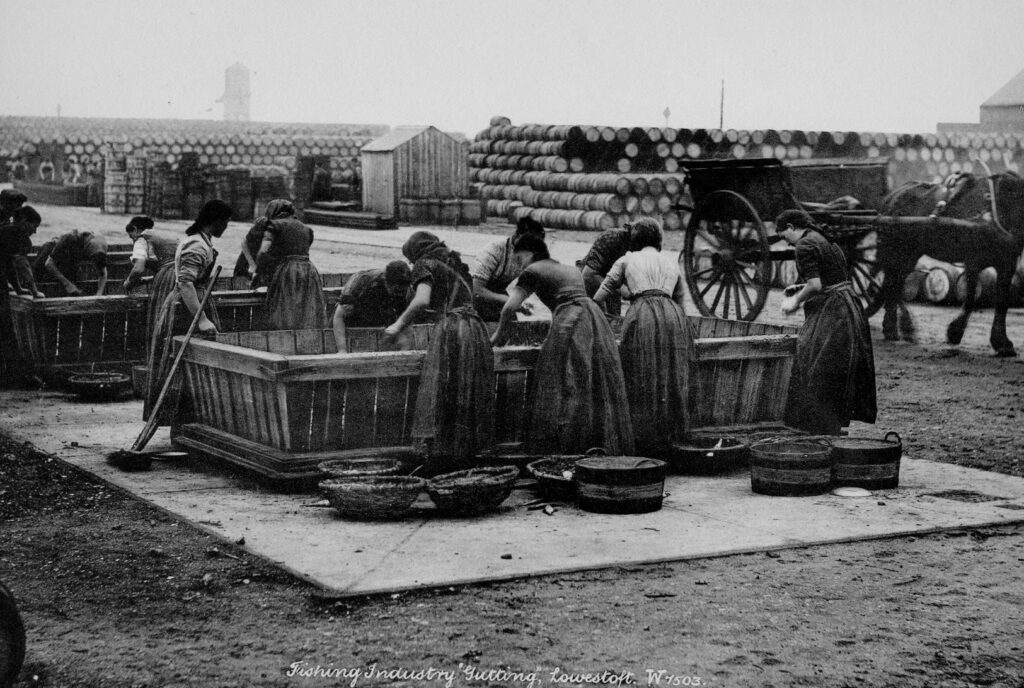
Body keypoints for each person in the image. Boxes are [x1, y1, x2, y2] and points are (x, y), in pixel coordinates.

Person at [491, 233, 635, 455]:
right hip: (593, 317)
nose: (517, 263)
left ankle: (570, 446)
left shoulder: (532, 271)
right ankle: (593, 442)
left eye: (518, 258)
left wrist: (497, 336)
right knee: (590, 378)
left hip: (571, 320)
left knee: (566, 381)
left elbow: (510, 307)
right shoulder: (566, 268)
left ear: (528, 254)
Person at [384, 231, 494, 474]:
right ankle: (463, 458)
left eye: (411, 261)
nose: (412, 266)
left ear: (416, 253)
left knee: (444, 390)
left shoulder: (425, 264)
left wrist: (397, 325)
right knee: (464, 390)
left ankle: (443, 459)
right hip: (474, 328)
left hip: (453, 328)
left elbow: (422, 300)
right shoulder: (454, 266)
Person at [594, 217, 696, 457]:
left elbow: (602, 292)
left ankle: (644, 440)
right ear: (659, 241)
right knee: (672, 372)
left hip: (643, 314)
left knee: (642, 371)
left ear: (635, 240)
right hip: (673, 314)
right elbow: (681, 301)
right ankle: (672, 440)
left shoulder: (627, 259)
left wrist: (595, 309)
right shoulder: (670, 261)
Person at [775, 210, 877, 436]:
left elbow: (815, 285)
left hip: (834, 311)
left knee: (812, 360)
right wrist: (799, 289)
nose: (787, 242)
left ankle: (819, 426)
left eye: (784, 236)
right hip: (848, 306)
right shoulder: (822, 238)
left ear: (791, 227)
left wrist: (794, 301)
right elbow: (831, 277)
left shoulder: (804, 245)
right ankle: (831, 424)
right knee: (835, 367)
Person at [144, 199, 232, 422]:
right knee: (183, 364)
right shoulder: (196, 245)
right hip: (186, 309)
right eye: (226, 222)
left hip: (196, 302)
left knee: (196, 365)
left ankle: (196, 420)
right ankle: (180, 421)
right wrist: (201, 318)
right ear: (216, 221)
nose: (226, 227)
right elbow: (185, 283)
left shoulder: (204, 242)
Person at [255, 202, 326, 330]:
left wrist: (260, 271)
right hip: (309, 271)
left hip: (288, 271)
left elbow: (263, 252)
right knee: (307, 311)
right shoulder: (307, 229)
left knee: (285, 311)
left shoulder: (274, 226)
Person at [122, 216, 180, 350]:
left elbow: (139, 268)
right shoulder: (161, 235)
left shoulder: (142, 239)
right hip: (181, 274)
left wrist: (128, 282)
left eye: (132, 237)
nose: (133, 240)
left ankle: (157, 356)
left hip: (168, 277)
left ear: (135, 230)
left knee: (160, 317)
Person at [470, 216, 544, 321]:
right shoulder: (495, 250)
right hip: (476, 297)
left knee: (512, 326)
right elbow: (476, 289)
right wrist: (508, 300)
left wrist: (523, 302)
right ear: (518, 236)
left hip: (498, 296)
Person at [332, 260, 413, 353]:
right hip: (351, 322)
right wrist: (342, 350)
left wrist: (404, 349)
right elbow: (339, 316)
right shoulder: (362, 283)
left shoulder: (405, 290)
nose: (399, 294)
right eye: (395, 290)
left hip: (379, 321)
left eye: (402, 291)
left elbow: (406, 321)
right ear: (385, 281)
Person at [233, 199, 292, 285]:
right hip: (248, 270)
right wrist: (253, 266)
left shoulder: (283, 228)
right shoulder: (263, 225)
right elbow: (246, 245)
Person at [32, 229, 108, 296]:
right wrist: (67, 284)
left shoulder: (100, 248)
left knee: (75, 284)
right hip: (48, 256)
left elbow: (103, 273)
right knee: (40, 277)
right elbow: (48, 263)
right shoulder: (70, 238)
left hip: (68, 261)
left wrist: (98, 295)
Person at [580, 223, 635, 315]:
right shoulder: (611, 238)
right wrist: (620, 289)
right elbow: (588, 275)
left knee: (614, 318)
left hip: (612, 282)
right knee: (598, 316)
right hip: (593, 277)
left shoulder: (644, 251)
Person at [0, 206, 43, 298]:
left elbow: (9, 264)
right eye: (34, 226)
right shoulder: (10, 234)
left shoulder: (10, 231)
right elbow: (23, 266)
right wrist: (34, 291)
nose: (35, 231)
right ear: (24, 221)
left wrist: (18, 289)